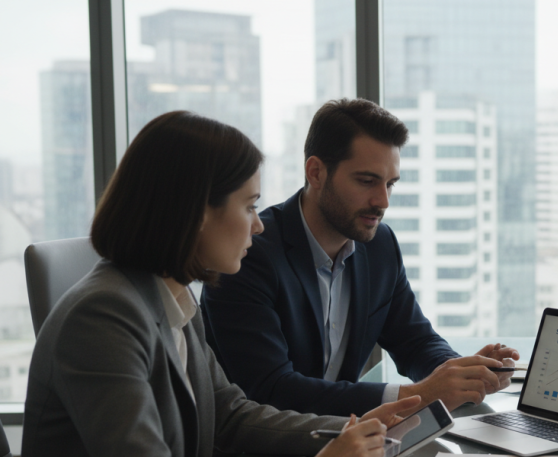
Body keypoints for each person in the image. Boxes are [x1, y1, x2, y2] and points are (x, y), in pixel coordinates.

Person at [0, 111, 420, 457]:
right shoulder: (103, 317)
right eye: (248, 207)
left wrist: (353, 433)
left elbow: (232, 414)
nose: (259, 227)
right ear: (197, 211)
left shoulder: (173, 295)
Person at [201, 98, 519, 417]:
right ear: (316, 173)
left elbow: (415, 340)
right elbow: (270, 389)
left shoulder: (379, 244)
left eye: (390, 184)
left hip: (349, 444)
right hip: (263, 453)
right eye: (366, 181)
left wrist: (462, 375)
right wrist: (418, 395)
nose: (382, 201)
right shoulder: (249, 251)